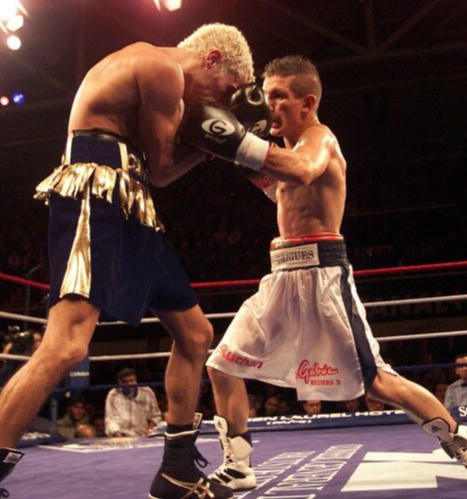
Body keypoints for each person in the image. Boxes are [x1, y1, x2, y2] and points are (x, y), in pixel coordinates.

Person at [0, 23, 254, 499]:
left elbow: (159, 175)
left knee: (196, 335)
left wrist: (218, 147)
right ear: (213, 59)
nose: (222, 101)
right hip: (97, 189)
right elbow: (165, 166)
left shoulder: (171, 87)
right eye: (226, 88)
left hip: (133, 203)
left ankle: (176, 471)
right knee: (66, 345)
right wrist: (225, 146)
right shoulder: (159, 66)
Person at [181, 55, 467, 490]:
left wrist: (241, 144)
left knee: (377, 381)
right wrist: (239, 159)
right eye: (266, 96)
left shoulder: (320, 138)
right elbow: (283, 191)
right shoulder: (287, 149)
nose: (269, 105)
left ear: (307, 103)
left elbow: (302, 171)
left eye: (279, 96)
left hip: (322, 275)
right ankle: (238, 465)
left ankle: (458, 439)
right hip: (280, 275)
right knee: (223, 364)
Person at [105, 368, 162, 437]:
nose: (129, 384)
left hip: (142, 434)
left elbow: (155, 415)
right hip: (121, 434)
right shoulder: (113, 394)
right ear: (119, 382)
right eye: (125, 382)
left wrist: (149, 430)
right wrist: (117, 433)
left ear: (136, 379)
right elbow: (110, 419)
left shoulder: (147, 392)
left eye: (132, 381)